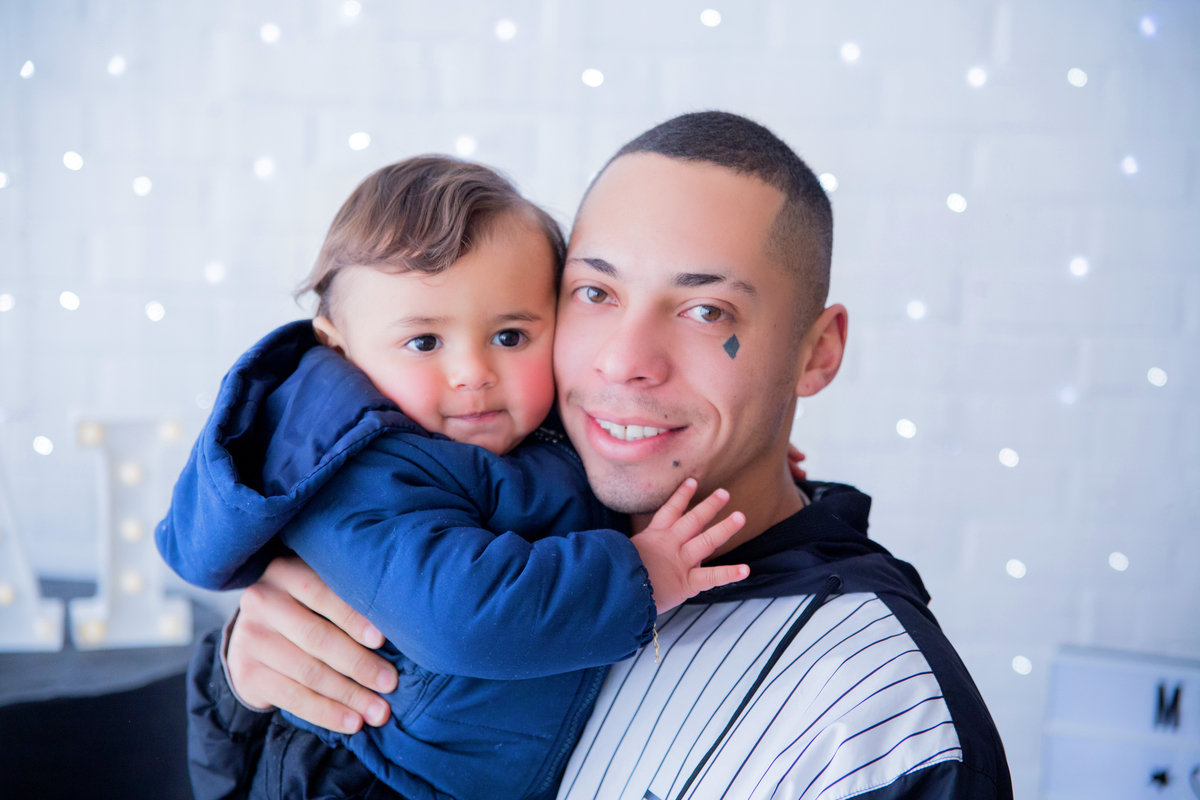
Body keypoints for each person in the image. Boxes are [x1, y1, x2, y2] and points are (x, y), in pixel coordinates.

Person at [194, 112, 1013, 799]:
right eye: (596, 293)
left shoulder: (880, 715)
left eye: (703, 310)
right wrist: (236, 689)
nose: (625, 361)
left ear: (815, 353)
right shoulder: (476, 509)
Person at [160, 157, 752, 799]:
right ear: (341, 351)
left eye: (510, 335)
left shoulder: (526, 431)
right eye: (424, 343)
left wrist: (719, 456)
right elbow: (460, 616)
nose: (473, 371)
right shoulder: (361, 473)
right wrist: (639, 577)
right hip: (358, 780)